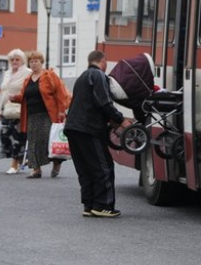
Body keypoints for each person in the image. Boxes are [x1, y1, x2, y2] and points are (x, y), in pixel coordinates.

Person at [65, 51, 132, 218]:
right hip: (89, 129)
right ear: (103, 61)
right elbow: (104, 102)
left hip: (73, 128)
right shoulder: (99, 76)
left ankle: (89, 205)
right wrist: (120, 119)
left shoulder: (82, 77)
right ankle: (103, 205)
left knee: (85, 169)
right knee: (104, 166)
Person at [11, 51, 69, 179]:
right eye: (31, 61)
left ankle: (56, 162)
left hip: (47, 115)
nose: (33, 64)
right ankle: (36, 170)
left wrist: (61, 110)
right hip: (31, 116)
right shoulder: (28, 79)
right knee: (32, 142)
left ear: (41, 62)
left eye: (36, 61)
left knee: (47, 140)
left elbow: (61, 93)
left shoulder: (49, 75)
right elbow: (24, 96)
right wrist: (14, 98)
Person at [0, 49, 31, 174]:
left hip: (20, 109)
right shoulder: (7, 73)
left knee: (17, 136)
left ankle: (14, 163)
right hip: (7, 109)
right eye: (12, 60)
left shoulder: (28, 72)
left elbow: (29, 91)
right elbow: (3, 93)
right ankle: (21, 157)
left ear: (22, 61)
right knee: (4, 135)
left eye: (17, 59)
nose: (14, 62)